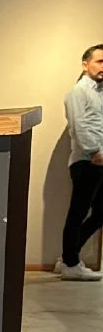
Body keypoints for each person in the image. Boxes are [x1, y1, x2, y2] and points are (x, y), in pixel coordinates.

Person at [58, 44, 103, 281]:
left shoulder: (98, 92)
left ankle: (68, 255)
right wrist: (95, 151)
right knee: (78, 212)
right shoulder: (78, 92)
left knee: (99, 212)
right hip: (87, 161)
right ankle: (70, 263)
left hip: (97, 161)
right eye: (100, 61)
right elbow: (79, 125)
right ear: (86, 64)